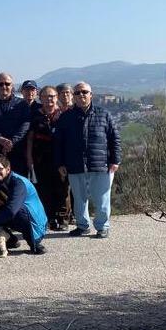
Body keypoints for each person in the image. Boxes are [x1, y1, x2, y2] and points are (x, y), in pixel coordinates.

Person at [54, 82, 121, 238]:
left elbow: (114, 139)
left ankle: (102, 227)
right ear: (73, 96)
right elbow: (59, 143)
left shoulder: (104, 114)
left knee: (102, 199)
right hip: (74, 164)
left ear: (91, 94)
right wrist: (60, 163)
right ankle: (82, 226)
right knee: (79, 199)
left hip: (100, 165)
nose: (81, 95)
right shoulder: (66, 117)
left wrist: (115, 160)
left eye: (84, 92)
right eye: (77, 93)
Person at [27, 86, 70, 231]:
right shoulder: (35, 115)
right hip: (41, 159)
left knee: (62, 190)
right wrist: (29, 158)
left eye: (51, 96)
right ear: (41, 98)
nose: (49, 99)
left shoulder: (64, 115)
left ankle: (63, 218)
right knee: (44, 190)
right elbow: (30, 139)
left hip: (60, 159)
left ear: (57, 97)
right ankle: (49, 219)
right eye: (45, 96)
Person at [0, 72, 32, 176]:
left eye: (7, 84)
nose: (4, 86)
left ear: (12, 86)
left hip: (18, 152)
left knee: (19, 183)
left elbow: (25, 125)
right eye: (0, 84)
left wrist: (12, 142)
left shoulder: (22, 104)